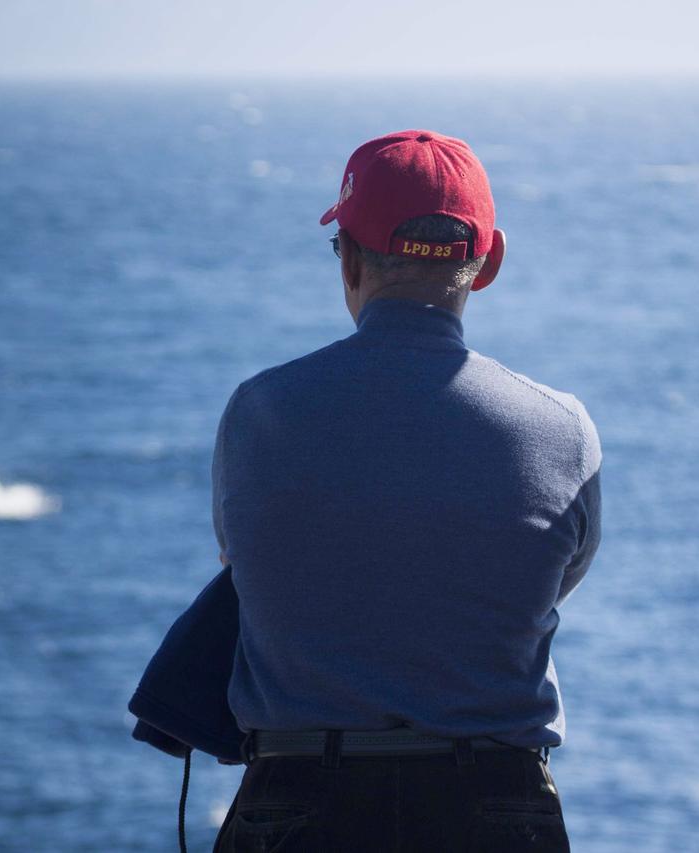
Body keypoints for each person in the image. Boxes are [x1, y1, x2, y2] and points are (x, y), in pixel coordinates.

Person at [199, 130, 602, 851]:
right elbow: (552, 584)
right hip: (496, 812)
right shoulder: (563, 428)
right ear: (489, 263)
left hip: (298, 808)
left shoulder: (259, 411)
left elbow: (244, 568)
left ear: (350, 260)